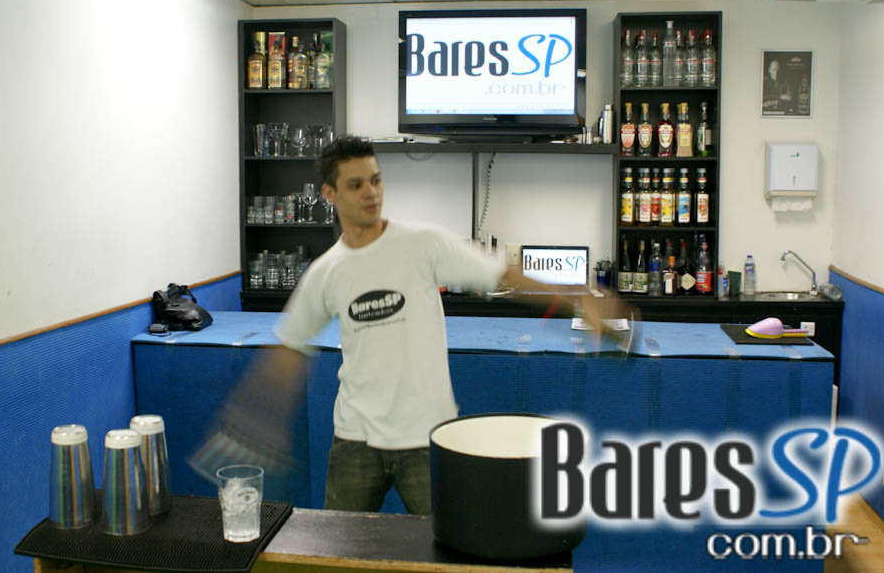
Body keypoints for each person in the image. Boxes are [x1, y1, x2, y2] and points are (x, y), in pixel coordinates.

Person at [190, 136, 632, 514]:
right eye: (356, 184)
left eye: (376, 180)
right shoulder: (325, 272)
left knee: (447, 553)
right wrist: (257, 418)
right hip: (355, 441)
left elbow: (502, 274)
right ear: (330, 194)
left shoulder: (423, 244)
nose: (371, 192)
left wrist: (580, 299)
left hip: (427, 437)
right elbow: (290, 347)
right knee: (340, 553)